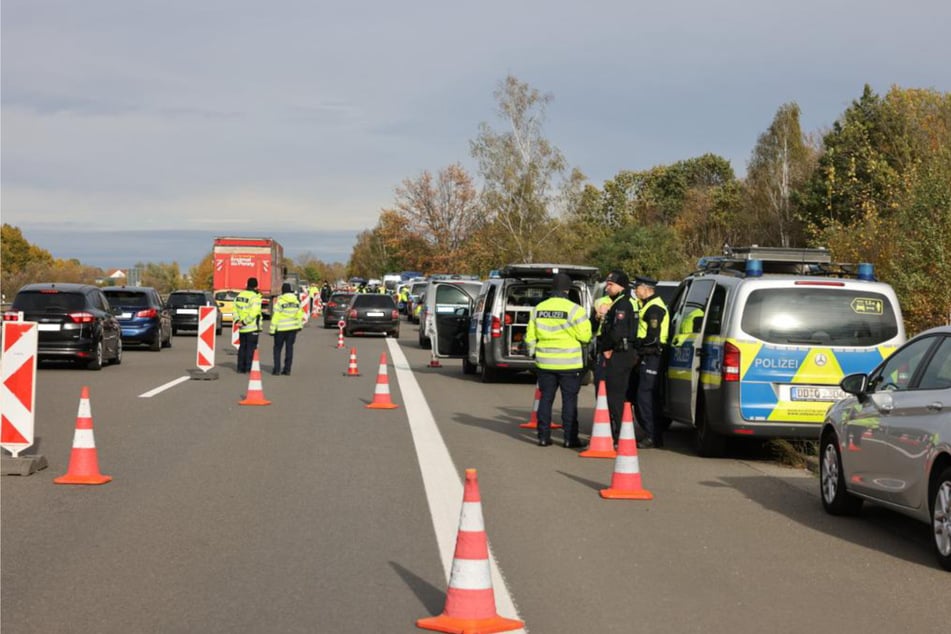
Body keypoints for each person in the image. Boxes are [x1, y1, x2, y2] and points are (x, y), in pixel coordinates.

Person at [525, 272, 592, 448]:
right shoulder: (576, 310)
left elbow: (530, 337)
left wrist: (534, 353)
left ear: (552, 289)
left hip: (545, 363)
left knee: (546, 399)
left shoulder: (538, 309)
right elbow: (585, 337)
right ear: (567, 290)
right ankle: (570, 438)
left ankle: (543, 437)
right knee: (569, 401)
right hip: (570, 364)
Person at [598, 270, 640, 446]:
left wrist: (606, 347)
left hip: (621, 354)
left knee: (616, 396)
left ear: (621, 285)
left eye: (611, 284)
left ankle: (620, 435)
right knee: (619, 395)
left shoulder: (622, 304)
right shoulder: (622, 302)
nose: (608, 287)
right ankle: (622, 433)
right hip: (624, 352)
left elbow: (617, 332)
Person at [631, 276, 670, 448]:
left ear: (647, 288)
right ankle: (653, 435)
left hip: (653, 355)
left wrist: (637, 345)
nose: (635, 291)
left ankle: (652, 435)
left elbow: (652, 338)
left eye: (637, 287)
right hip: (648, 356)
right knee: (645, 395)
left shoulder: (654, 308)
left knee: (646, 396)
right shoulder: (647, 305)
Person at [269, 282, 305, 376]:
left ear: (283, 291)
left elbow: (275, 317)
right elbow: (299, 315)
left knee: (277, 349)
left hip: (280, 329)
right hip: (292, 329)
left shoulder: (280, 302)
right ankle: (287, 369)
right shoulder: (296, 302)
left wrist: (272, 330)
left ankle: (277, 369)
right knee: (289, 349)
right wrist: (299, 326)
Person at [234, 277, 263, 373]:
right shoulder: (255, 297)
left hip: (241, 327)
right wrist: (245, 321)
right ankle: (248, 368)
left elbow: (235, 309)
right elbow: (254, 312)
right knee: (250, 348)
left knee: (242, 347)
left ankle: (240, 368)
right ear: (256, 286)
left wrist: (238, 320)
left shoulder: (240, 295)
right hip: (251, 326)